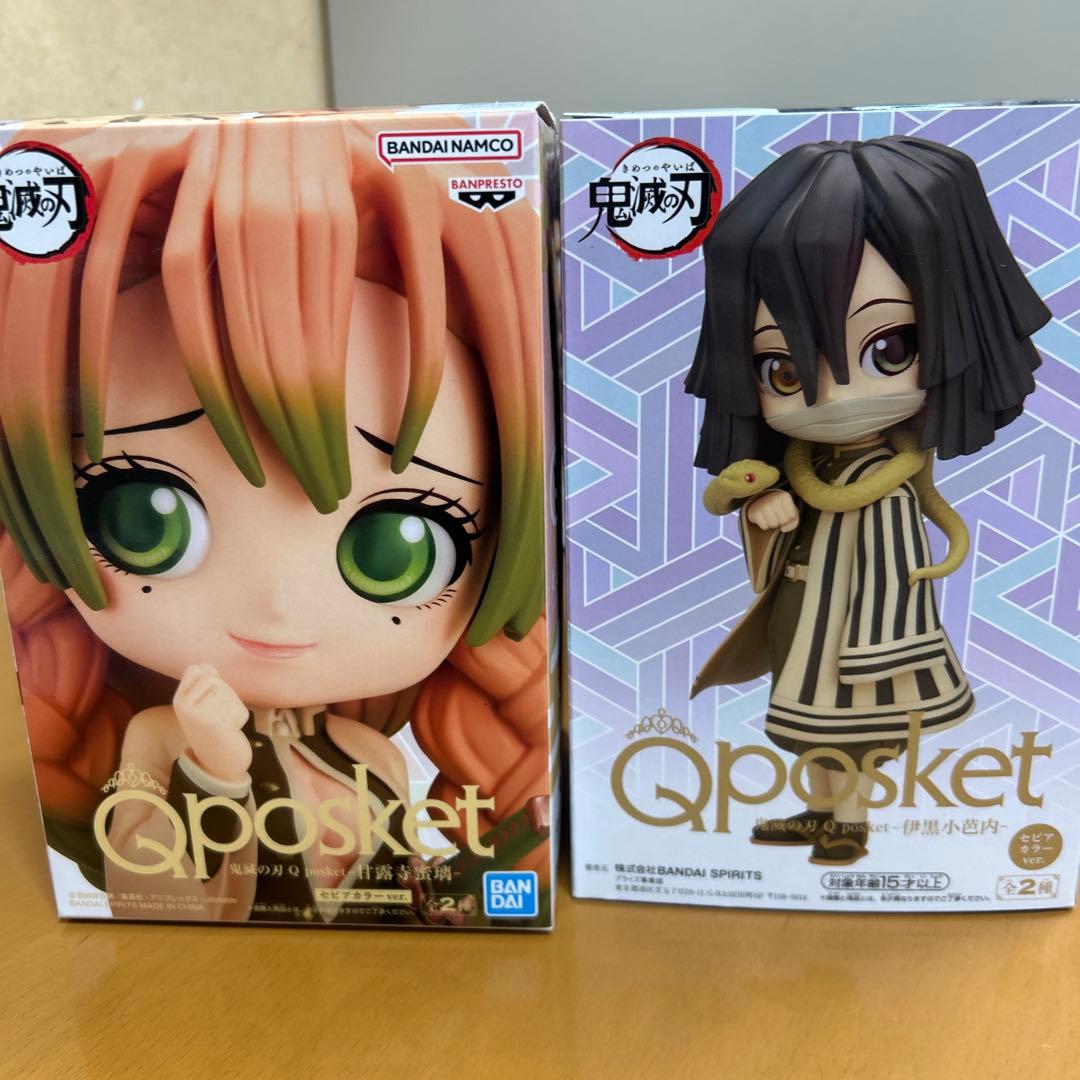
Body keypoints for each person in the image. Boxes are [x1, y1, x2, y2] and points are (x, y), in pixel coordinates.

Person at [0, 113, 550, 922]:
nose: (279, 605)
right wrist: (213, 771)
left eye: (396, 550)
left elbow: (398, 886)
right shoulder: (159, 739)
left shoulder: (373, 756)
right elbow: (145, 894)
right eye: (145, 524)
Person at [686, 136, 1049, 866]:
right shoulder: (803, 463)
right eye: (784, 369)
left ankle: (847, 821)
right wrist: (757, 508)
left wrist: (877, 643)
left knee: (852, 728)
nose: (837, 397)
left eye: (890, 349)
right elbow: (743, 496)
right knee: (807, 724)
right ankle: (823, 811)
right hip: (802, 614)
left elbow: (896, 566)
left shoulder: (889, 479)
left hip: (865, 635)